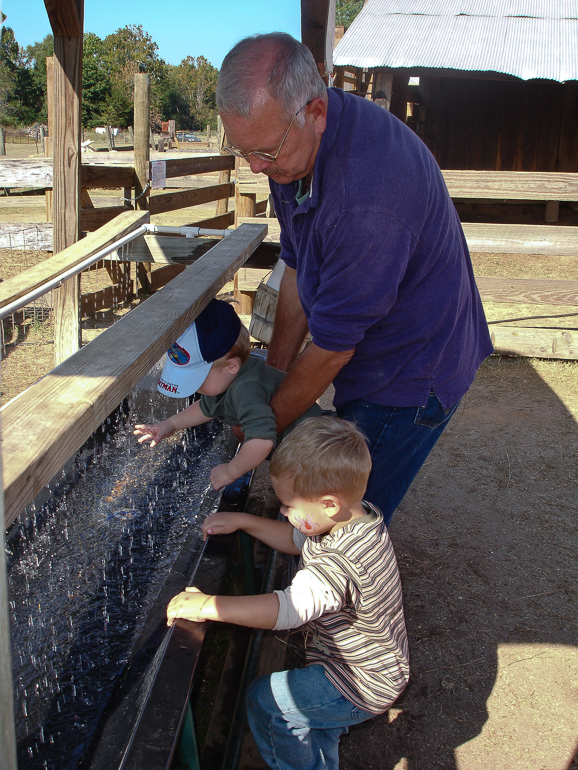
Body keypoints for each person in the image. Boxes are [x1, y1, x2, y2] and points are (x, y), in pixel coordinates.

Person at [216, 33, 493, 526]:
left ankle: (342, 597)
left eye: (265, 151)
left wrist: (265, 422)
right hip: (370, 339)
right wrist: (270, 380)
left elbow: (333, 348)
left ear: (316, 112)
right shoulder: (290, 157)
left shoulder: (369, 198)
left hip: (412, 366)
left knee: (342, 525)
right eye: (243, 151)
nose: (256, 167)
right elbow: (298, 272)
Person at [167, 417, 409, 770]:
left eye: (289, 506)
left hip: (359, 680)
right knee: (316, 725)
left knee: (269, 702)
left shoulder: (342, 563)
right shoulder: (354, 517)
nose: (283, 512)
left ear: (329, 504)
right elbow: (297, 541)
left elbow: (289, 609)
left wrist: (208, 605)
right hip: (369, 663)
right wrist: (244, 522)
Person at [134, 298, 322, 491]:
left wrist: (231, 471)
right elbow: (206, 407)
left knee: (299, 501)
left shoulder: (246, 389)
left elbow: (262, 441)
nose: (195, 388)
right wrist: (170, 424)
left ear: (232, 366)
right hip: (302, 450)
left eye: (198, 379)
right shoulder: (227, 379)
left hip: (315, 454)